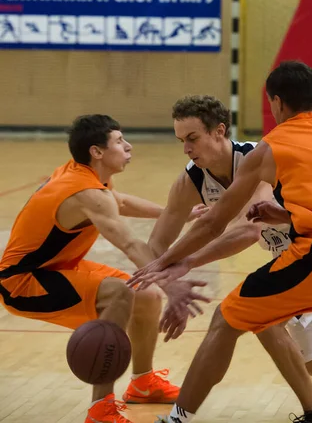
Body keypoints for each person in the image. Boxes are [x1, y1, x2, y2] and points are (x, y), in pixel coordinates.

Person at [129, 62, 312, 423]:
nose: (186, 149)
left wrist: (180, 264)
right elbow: (157, 242)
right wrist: (173, 285)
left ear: (219, 131)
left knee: (242, 317)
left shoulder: (264, 152)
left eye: (191, 138)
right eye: (181, 141)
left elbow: (240, 229)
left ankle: (311, 412)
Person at [0, 114, 208, 423]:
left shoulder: (89, 177)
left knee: (145, 293)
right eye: (120, 141)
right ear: (97, 151)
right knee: (120, 294)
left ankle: (142, 384)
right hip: (22, 282)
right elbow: (130, 245)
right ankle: (100, 410)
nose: (128, 146)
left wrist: (172, 213)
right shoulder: (85, 193)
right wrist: (171, 282)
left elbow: (119, 202)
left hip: (57, 267)